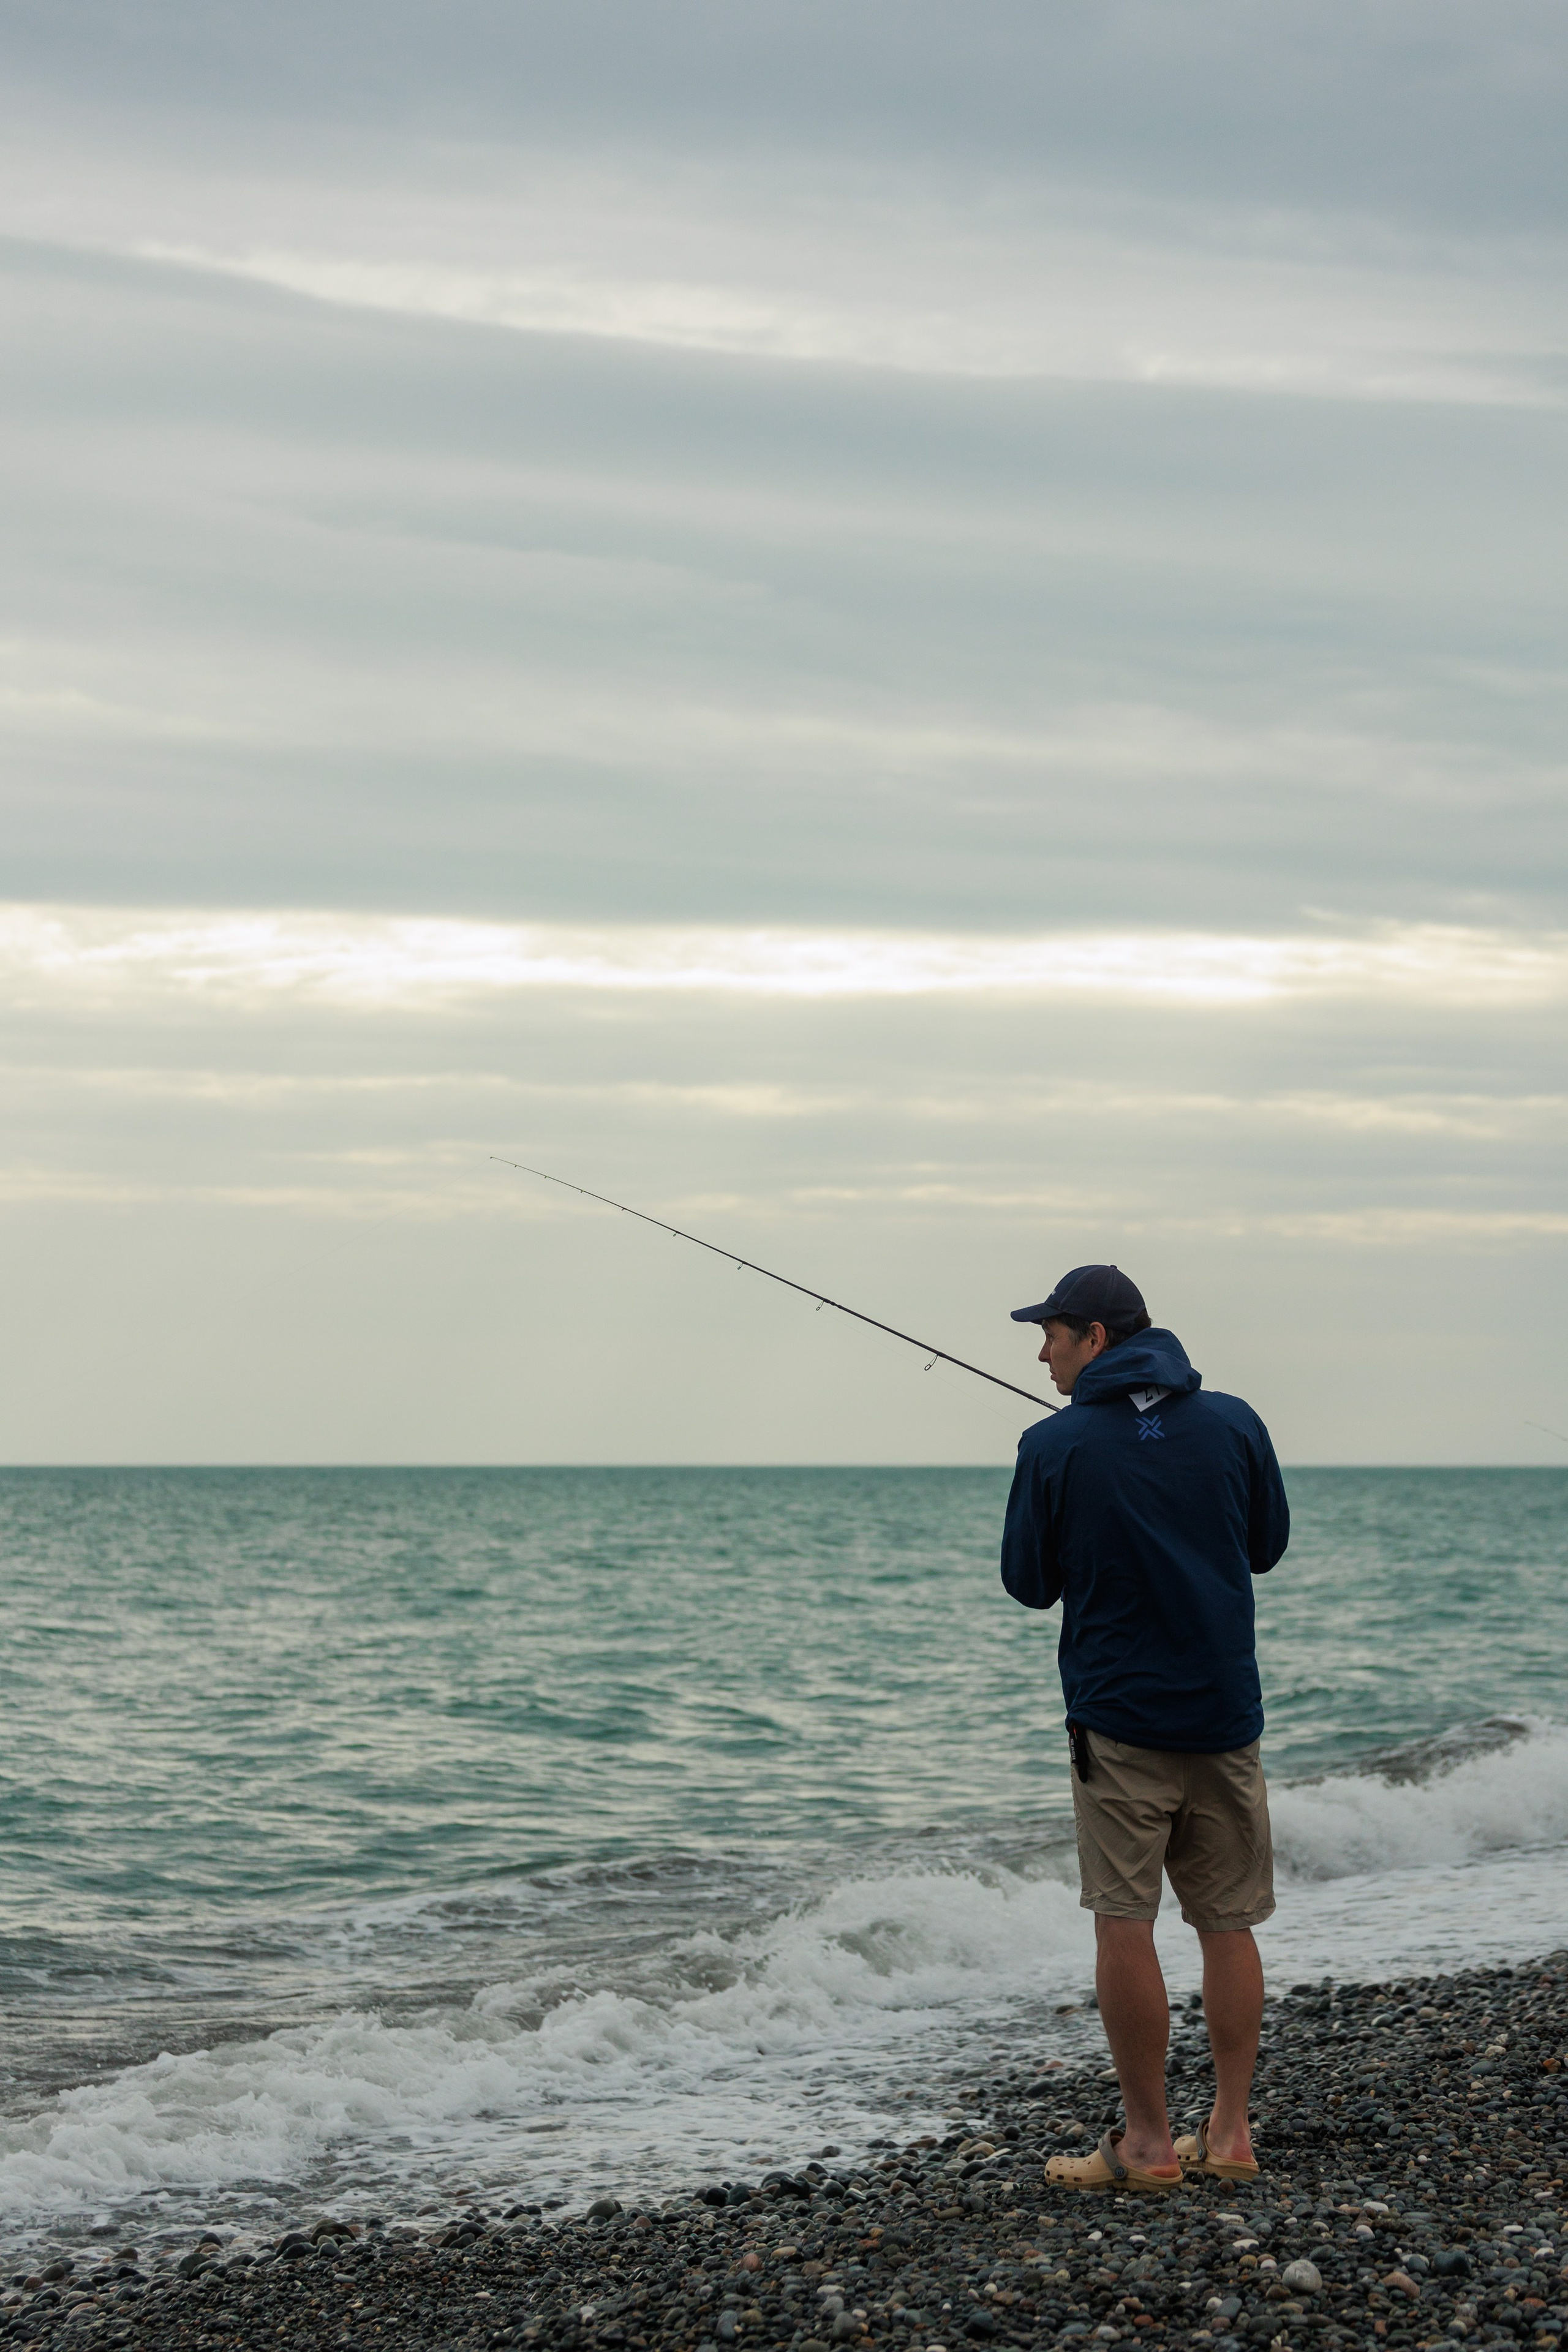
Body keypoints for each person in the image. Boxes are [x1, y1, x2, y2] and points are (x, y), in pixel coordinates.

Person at [999, 1264, 1289, 2194]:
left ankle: (1150, 2144)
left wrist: (1077, 1470)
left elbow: (1026, 1583)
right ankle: (1233, 2133)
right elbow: (1266, 1549)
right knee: (1229, 1923)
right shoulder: (1237, 1422)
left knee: (1126, 1925)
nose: (1041, 1351)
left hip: (1119, 1724)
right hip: (1225, 1719)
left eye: (1050, 1333)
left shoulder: (1053, 1443)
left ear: (1094, 1335)